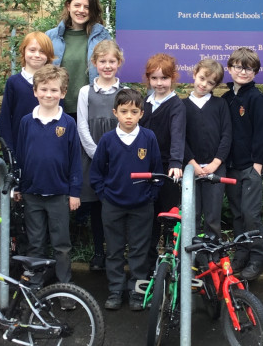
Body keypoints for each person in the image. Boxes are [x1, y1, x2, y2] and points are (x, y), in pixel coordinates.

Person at [90, 86, 163, 311]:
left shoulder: (148, 137)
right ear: (115, 113)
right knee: (113, 249)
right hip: (112, 205)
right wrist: (105, 196)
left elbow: (157, 171)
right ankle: (115, 290)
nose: (129, 116)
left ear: (142, 113)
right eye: (124, 111)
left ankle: (136, 291)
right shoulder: (108, 140)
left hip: (142, 206)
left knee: (139, 251)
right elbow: (96, 173)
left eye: (134, 112)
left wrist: (150, 196)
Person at [15, 64, 82, 285]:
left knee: (61, 244)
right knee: (35, 242)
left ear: (63, 93)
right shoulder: (26, 122)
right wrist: (18, 186)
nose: (48, 94)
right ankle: (36, 285)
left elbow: (75, 161)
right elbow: (21, 156)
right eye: (43, 89)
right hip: (32, 193)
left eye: (54, 90)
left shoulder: (68, 123)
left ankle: (64, 287)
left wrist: (74, 192)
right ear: (35, 91)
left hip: (59, 194)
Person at [221, 47, 263, 281]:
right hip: (231, 166)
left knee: (250, 214)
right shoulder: (226, 98)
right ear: (230, 68)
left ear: (255, 72)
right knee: (237, 214)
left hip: (249, 167)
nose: (243, 71)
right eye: (239, 67)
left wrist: (258, 164)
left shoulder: (256, 98)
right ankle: (241, 253)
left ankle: (258, 257)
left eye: (249, 68)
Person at [76, 38, 124, 272]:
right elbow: (82, 126)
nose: (107, 65)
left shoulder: (124, 92)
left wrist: (114, 156)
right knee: (96, 205)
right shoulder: (86, 91)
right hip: (92, 156)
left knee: (116, 204)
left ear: (119, 63)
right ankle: (98, 252)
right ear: (94, 63)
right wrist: (97, 154)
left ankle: (117, 251)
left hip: (118, 158)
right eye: (102, 61)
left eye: (111, 61)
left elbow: (128, 125)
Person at [140, 52, 186, 274]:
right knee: (148, 221)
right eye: (154, 78)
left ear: (173, 78)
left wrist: (176, 162)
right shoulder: (144, 103)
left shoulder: (176, 105)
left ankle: (170, 265)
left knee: (169, 218)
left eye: (164, 78)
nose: (159, 83)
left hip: (168, 170)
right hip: (146, 170)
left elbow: (178, 135)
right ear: (148, 79)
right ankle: (148, 267)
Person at [46, 0, 111, 122]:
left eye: (87, 7)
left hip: (91, 108)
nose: (81, 10)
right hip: (58, 106)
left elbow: (111, 68)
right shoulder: (51, 37)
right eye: (77, 5)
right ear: (68, 6)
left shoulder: (102, 37)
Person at [183, 58, 232, 237]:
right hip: (190, 169)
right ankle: (191, 259)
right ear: (195, 74)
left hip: (216, 168)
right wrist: (193, 164)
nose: (204, 84)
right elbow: (180, 139)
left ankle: (212, 258)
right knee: (191, 215)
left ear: (216, 85)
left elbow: (227, 136)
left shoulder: (220, 105)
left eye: (210, 82)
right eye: (202, 78)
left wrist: (215, 163)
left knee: (212, 217)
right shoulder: (182, 106)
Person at [0, 30, 55, 160]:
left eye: (42, 51)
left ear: (49, 55)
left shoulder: (54, 84)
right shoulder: (14, 82)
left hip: (48, 148)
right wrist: (9, 153)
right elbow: (5, 120)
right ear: (24, 51)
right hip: (21, 149)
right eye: (32, 50)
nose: (37, 55)